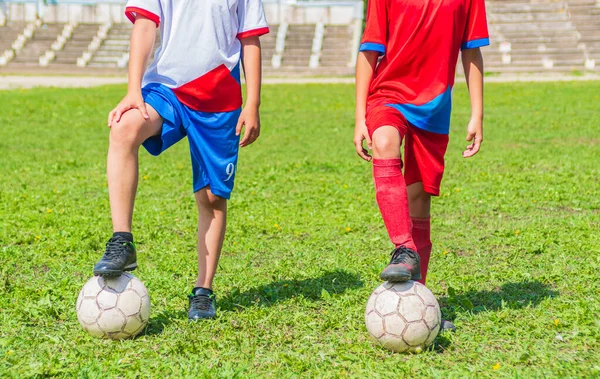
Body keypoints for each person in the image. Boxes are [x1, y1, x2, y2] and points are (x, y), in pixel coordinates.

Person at [92, 0, 269, 320]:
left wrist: (253, 102)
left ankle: (203, 291)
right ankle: (122, 240)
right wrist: (134, 89)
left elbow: (249, 39)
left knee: (212, 197)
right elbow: (144, 24)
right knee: (123, 128)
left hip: (220, 99)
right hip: (167, 89)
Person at [354, 0, 489, 329]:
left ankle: (420, 304)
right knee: (385, 143)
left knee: (419, 201)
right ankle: (403, 248)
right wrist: (359, 117)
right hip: (388, 95)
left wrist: (477, 113)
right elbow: (369, 50)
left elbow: (471, 51)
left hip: (434, 107)